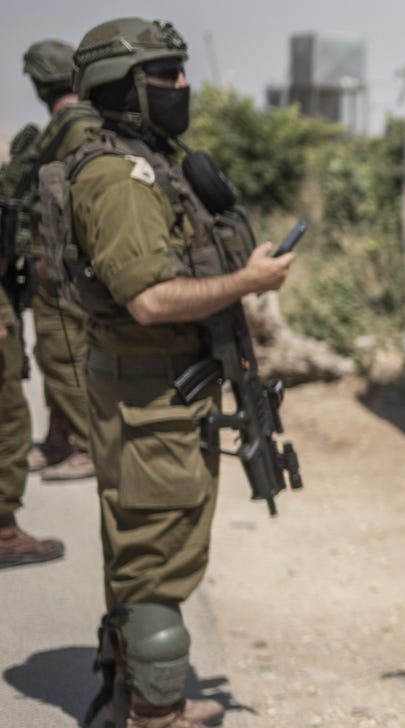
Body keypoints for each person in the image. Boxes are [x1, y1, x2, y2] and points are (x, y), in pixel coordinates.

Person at [59, 18, 295, 726]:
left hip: (160, 392)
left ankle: (137, 690)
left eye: (180, 72)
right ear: (123, 89)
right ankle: (156, 716)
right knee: (157, 564)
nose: (181, 86)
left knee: (146, 550)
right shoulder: (118, 178)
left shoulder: (154, 162)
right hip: (151, 396)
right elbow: (151, 297)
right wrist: (248, 283)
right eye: (164, 75)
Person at [0, 41, 90, 570]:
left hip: (57, 268)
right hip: (55, 268)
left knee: (62, 355)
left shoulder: (61, 134)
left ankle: (76, 444)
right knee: (46, 370)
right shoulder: (74, 132)